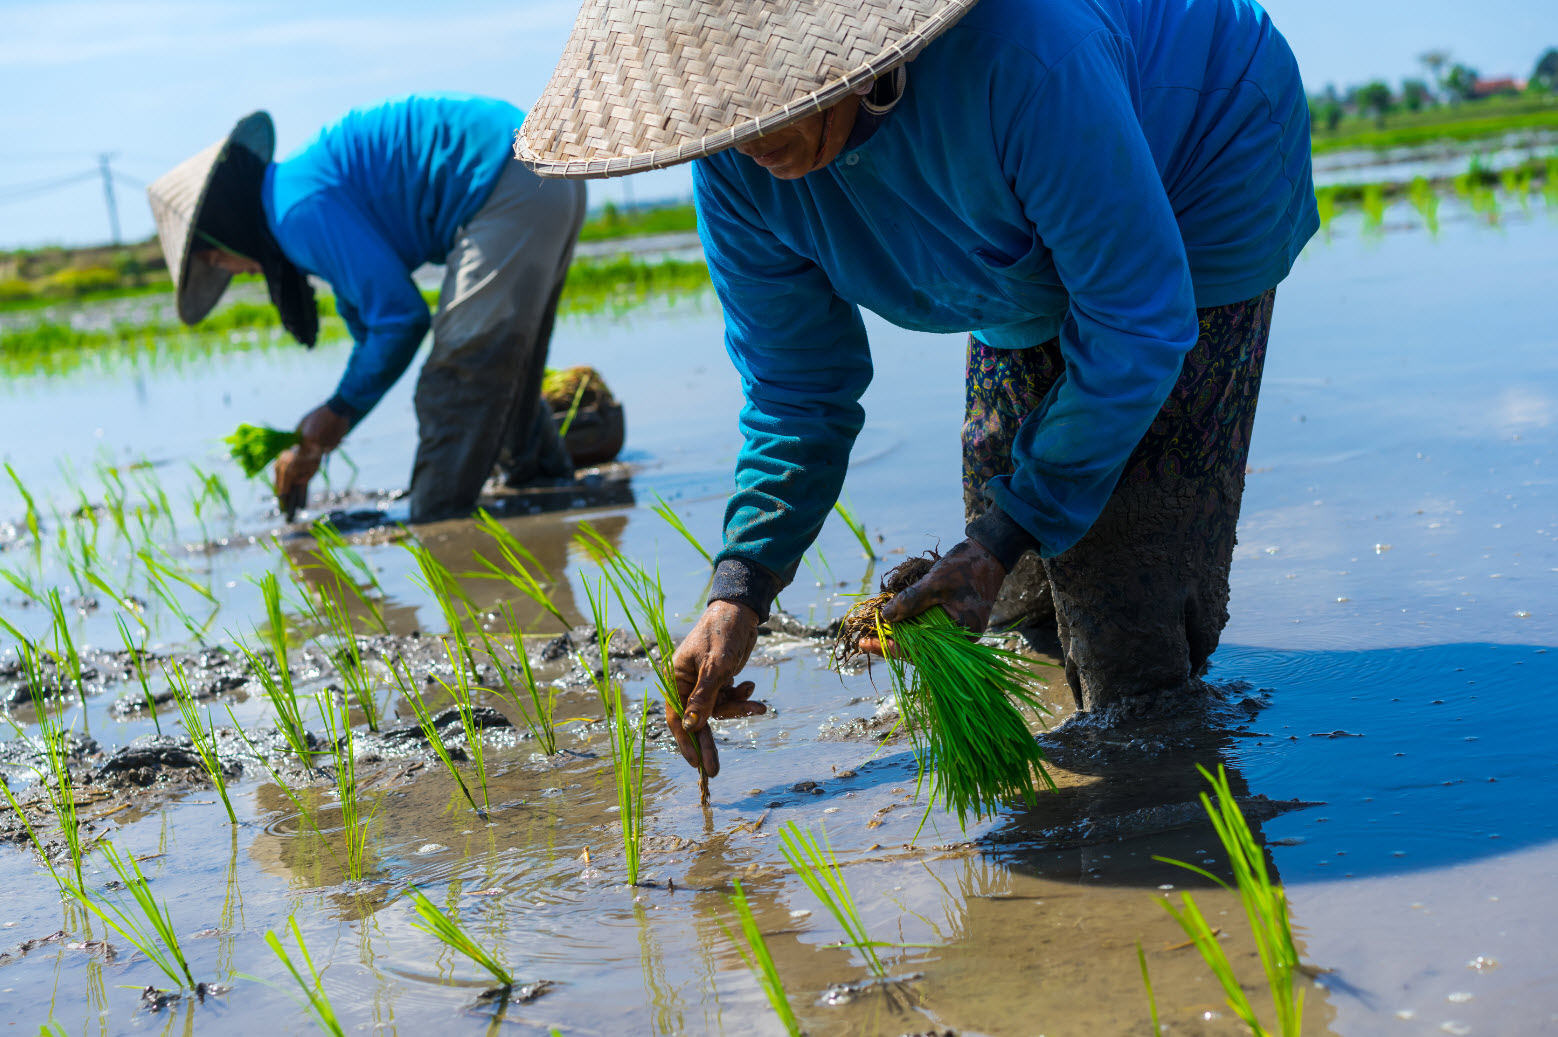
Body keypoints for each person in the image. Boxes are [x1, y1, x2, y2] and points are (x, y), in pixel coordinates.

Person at [519, 0, 1317, 778]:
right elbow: (798, 390)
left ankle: (1165, 791)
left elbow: (1137, 323)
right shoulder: (735, 168)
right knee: (1013, 597)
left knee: (1128, 611)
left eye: (766, 101)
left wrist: (1000, 540)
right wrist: (741, 590)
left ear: (850, 57)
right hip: (1021, 232)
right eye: (722, 113)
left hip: (1206, 160)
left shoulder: (1025, 55)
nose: (747, 137)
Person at [147, 93, 598, 523]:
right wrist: (321, 435)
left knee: (455, 384)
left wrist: (338, 409)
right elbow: (370, 330)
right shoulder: (299, 193)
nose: (236, 272)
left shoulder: (297, 211)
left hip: (508, 180)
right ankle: (548, 492)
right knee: (505, 378)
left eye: (218, 260)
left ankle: (440, 524)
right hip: (542, 173)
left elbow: (401, 319)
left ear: (227, 230)